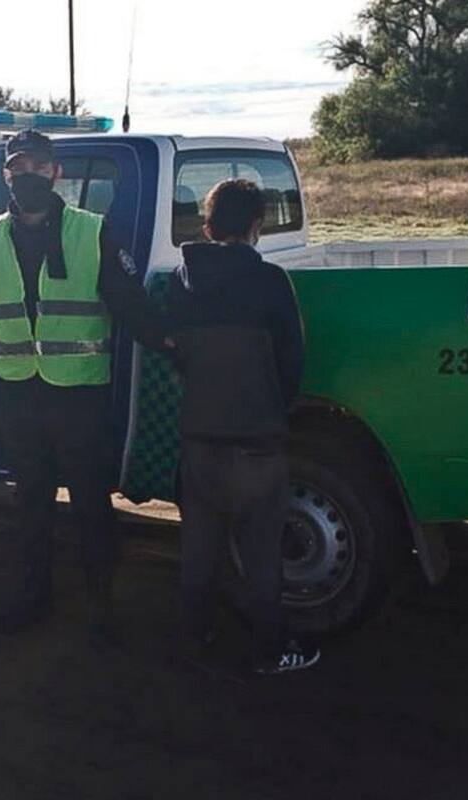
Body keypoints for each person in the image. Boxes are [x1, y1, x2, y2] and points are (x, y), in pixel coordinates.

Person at [0, 130, 168, 648]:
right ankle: (34, 594)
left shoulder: (92, 232)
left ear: (55, 173)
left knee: (91, 503)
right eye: (18, 167)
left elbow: (129, 305)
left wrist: (174, 345)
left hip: (78, 396)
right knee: (31, 503)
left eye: (38, 167)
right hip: (17, 395)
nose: (29, 175)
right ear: (6, 176)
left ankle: (101, 603)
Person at [168, 178, 318, 674]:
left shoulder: (180, 281)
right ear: (257, 226)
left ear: (207, 226)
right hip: (257, 440)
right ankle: (270, 650)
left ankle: (194, 636)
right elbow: (292, 363)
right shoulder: (272, 282)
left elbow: (178, 357)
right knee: (260, 555)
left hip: (199, 438)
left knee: (200, 548)